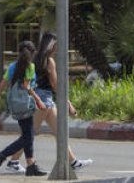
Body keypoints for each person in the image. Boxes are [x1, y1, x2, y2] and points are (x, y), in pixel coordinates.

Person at [30, 32, 92, 170]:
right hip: (44, 100)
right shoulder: (49, 61)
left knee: (60, 132)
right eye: (57, 45)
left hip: (40, 97)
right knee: (30, 133)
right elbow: (55, 84)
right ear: (52, 45)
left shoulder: (35, 58)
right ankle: (11, 160)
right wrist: (68, 103)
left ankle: (72, 161)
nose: (58, 48)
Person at [0, 41, 47, 176]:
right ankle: (0, 155)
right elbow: (27, 86)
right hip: (26, 105)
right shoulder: (30, 67)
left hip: (15, 105)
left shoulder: (12, 67)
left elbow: (1, 86)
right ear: (32, 53)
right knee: (28, 137)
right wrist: (38, 100)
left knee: (27, 135)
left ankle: (31, 166)